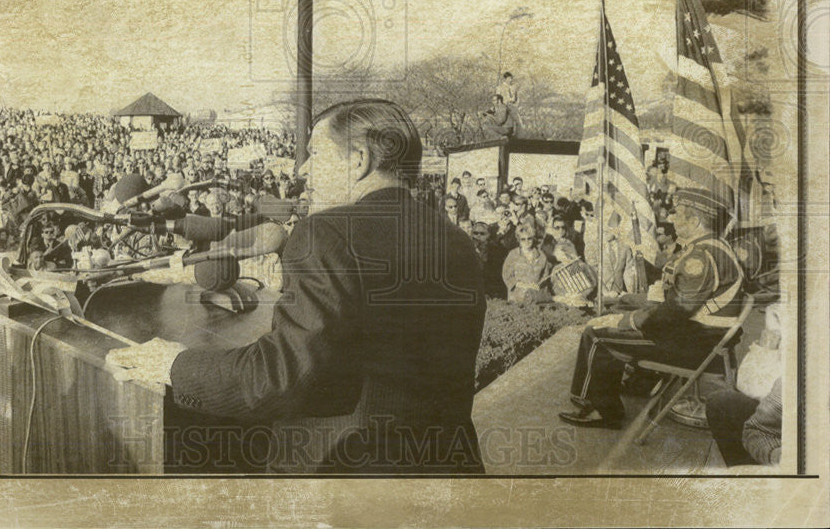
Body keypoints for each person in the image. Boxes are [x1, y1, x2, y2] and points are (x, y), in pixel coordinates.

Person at [158, 99, 487, 473]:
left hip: (342, 481)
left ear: (359, 159)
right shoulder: (458, 240)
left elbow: (278, 378)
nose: (303, 169)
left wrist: (174, 367)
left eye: (314, 152)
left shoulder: (326, 233)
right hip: (447, 472)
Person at [559, 188, 746, 429]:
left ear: (695, 220)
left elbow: (672, 314)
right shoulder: (713, 247)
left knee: (596, 335)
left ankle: (601, 409)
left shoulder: (700, 257)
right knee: (617, 311)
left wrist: (623, 321)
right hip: (707, 339)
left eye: (678, 214)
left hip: (697, 345)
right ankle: (641, 381)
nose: (671, 219)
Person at [501, 216, 550, 304]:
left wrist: (538, 285)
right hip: (517, 297)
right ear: (519, 240)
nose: (526, 241)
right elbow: (506, 275)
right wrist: (520, 284)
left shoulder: (541, 256)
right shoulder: (513, 254)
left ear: (533, 238)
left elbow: (546, 275)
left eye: (529, 238)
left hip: (536, 296)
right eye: (523, 239)